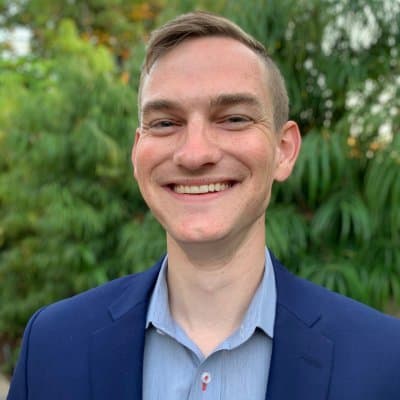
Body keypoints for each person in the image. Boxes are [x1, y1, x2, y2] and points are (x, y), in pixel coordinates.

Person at [7, 11, 400, 400]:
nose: (194, 154)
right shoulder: (52, 346)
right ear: (136, 153)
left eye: (232, 118)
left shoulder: (384, 359)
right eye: (164, 123)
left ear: (284, 150)